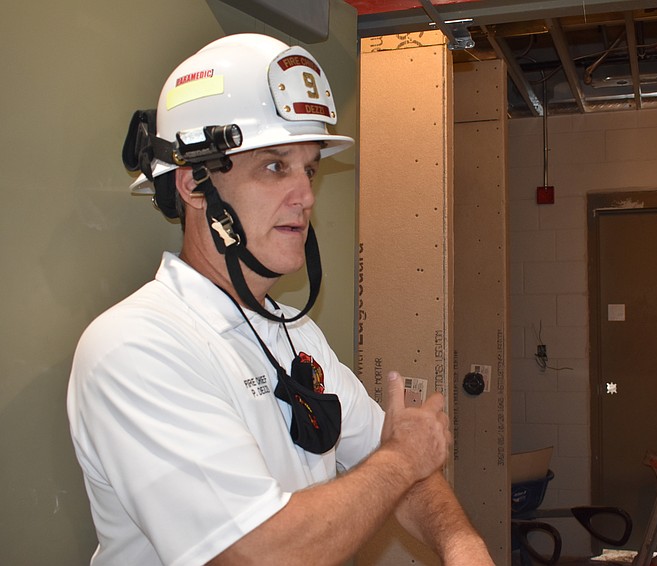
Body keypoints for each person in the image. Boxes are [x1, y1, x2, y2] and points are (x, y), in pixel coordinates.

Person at [67, 33, 493, 566]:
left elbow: (394, 460)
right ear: (194, 186)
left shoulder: (294, 331)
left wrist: (462, 544)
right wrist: (403, 459)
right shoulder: (135, 346)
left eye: (309, 168)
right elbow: (259, 553)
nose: (307, 195)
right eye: (275, 166)